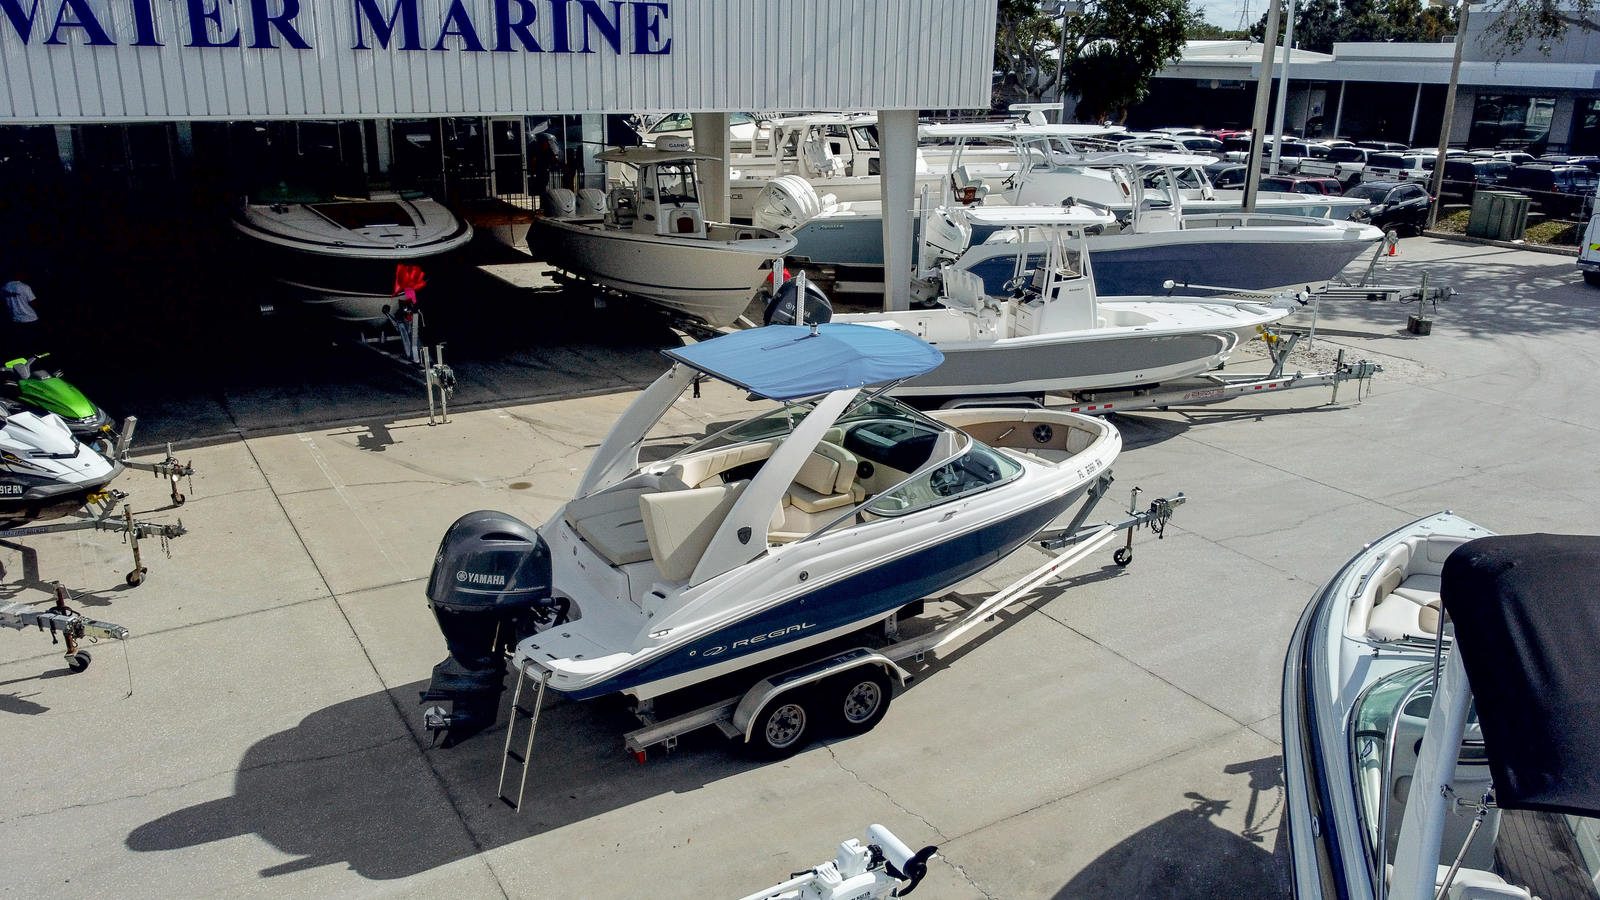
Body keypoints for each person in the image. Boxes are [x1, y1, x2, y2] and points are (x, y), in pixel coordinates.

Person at [1, 270, 41, 348]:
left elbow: (4, 301)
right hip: (30, 318)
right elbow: (33, 302)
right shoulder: (24, 287)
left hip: (15, 318)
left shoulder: (5, 287)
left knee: (20, 342)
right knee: (32, 342)